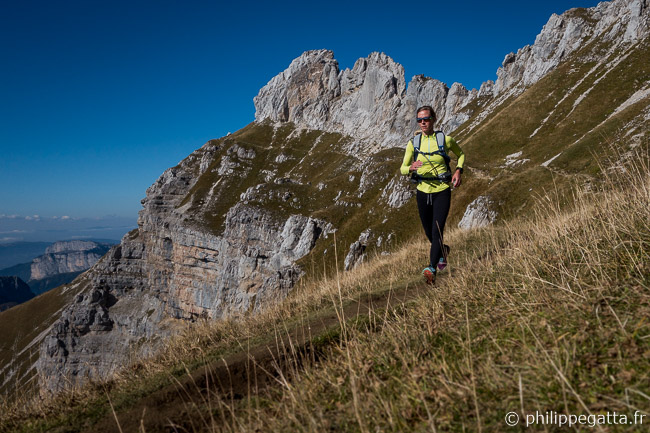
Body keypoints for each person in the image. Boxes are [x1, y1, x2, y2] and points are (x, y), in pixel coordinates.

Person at [400, 105, 465, 285]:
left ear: (433, 119)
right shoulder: (413, 143)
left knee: (437, 230)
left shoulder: (445, 139)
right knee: (430, 233)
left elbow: (461, 155)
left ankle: (431, 268)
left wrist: (458, 171)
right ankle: (443, 250)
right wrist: (410, 168)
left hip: (441, 191)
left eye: (426, 119)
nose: (423, 123)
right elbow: (402, 168)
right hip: (422, 192)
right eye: (419, 120)